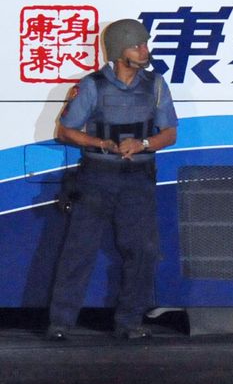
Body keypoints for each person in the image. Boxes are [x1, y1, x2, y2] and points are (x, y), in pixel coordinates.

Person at [46, 18, 178, 341]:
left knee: (144, 250)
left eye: (145, 44)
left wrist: (143, 144)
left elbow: (170, 133)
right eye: (137, 46)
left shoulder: (156, 85)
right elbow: (65, 131)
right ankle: (60, 322)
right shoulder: (92, 86)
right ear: (120, 52)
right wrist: (100, 143)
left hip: (138, 177)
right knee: (80, 249)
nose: (144, 51)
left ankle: (130, 320)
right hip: (97, 176)